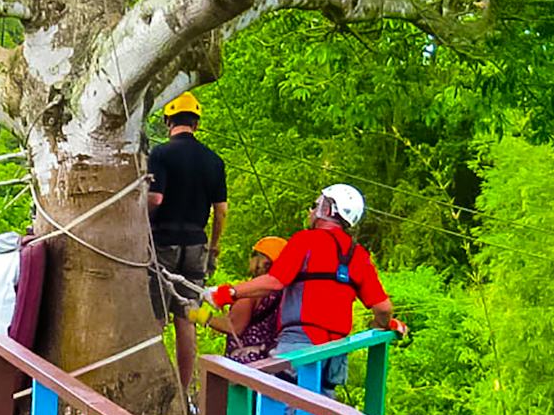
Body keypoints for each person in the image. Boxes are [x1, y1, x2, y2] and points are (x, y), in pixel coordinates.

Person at [206, 184, 407, 390]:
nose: (311, 211)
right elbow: (383, 308)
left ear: (327, 209)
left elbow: (275, 281)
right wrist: (383, 324)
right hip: (335, 354)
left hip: (298, 347)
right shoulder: (358, 255)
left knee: (284, 411)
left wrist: (229, 292)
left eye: (315, 205)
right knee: (320, 413)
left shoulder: (305, 241)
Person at [146, 92, 228, 393]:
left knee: (155, 317)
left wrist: (138, 220)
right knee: (187, 317)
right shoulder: (214, 161)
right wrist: (214, 247)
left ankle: (154, 385)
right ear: (196, 122)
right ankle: (183, 387)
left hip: (163, 243)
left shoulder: (161, 154)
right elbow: (221, 211)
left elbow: (156, 198)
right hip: (196, 245)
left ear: (168, 120)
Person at [200, 235, 290, 364]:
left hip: (245, 362)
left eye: (253, 255)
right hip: (269, 358)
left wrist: (198, 316)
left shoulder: (250, 292)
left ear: (263, 261)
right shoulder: (282, 292)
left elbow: (234, 327)